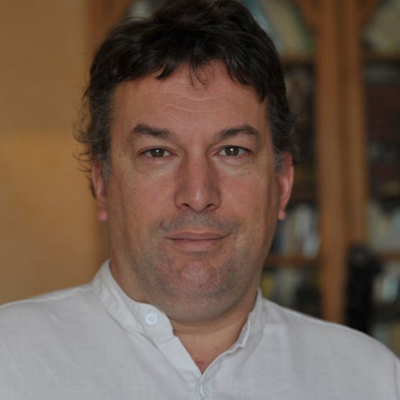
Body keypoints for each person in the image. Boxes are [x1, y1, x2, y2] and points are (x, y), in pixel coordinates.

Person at [0, 0, 399, 398]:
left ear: (282, 184)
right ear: (103, 184)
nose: (197, 194)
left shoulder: (371, 379)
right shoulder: (11, 361)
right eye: (157, 152)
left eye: (232, 151)